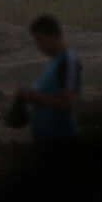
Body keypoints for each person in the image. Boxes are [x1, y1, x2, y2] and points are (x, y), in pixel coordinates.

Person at [17, 15, 82, 148]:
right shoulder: (54, 63)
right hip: (46, 139)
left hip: (60, 140)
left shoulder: (67, 61)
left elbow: (67, 102)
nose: (38, 46)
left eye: (40, 41)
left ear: (53, 37)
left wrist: (34, 96)